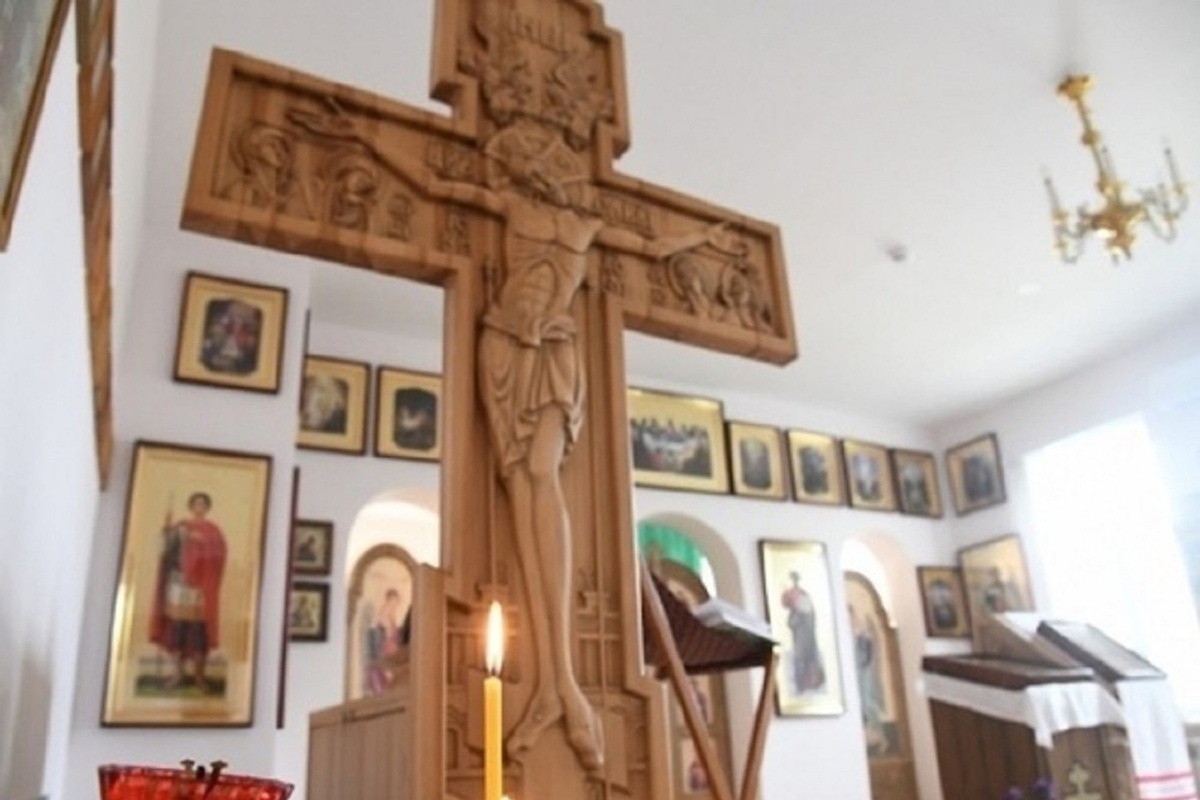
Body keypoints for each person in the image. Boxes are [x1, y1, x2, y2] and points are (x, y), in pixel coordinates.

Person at [288, 105, 730, 772]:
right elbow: (433, 184)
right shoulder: (508, 204)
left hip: (555, 353)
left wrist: (707, 235)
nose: (531, 170)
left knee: (543, 477)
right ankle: (555, 683)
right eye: (523, 162)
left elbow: (652, 244)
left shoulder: (587, 223)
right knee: (521, 490)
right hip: (503, 347)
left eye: (537, 161)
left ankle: (561, 683)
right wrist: (362, 136)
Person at [149, 492, 227, 693]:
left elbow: (218, 556)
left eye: (203, 504)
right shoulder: (181, 526)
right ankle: (177, 674)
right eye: (196, 503)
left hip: (199, 587)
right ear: (191, 506)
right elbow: (166, 550)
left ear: (207, 507)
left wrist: (201, 542)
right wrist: (167, 533)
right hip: (179, 583)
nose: (199, 507)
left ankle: (199, 676)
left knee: (198, 631)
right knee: (177, 629)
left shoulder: (213, 531)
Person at [780, 571, 824, 694]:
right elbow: (792, 618)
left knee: (805, 657)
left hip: (806, 636)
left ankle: (807, 683)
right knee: (800, 658)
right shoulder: (796, 596)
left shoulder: (803, 596)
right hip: (799, 635)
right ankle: (801, 684)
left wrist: (796, 617)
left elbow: (805, 614)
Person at [364, 588, 411, 695]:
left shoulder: (392, 619)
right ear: (388, 601)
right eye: (392, 602)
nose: (394, 605)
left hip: (394, 661)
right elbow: (377, 643)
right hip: (384, 661)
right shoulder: (380, 620)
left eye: (396, 603)